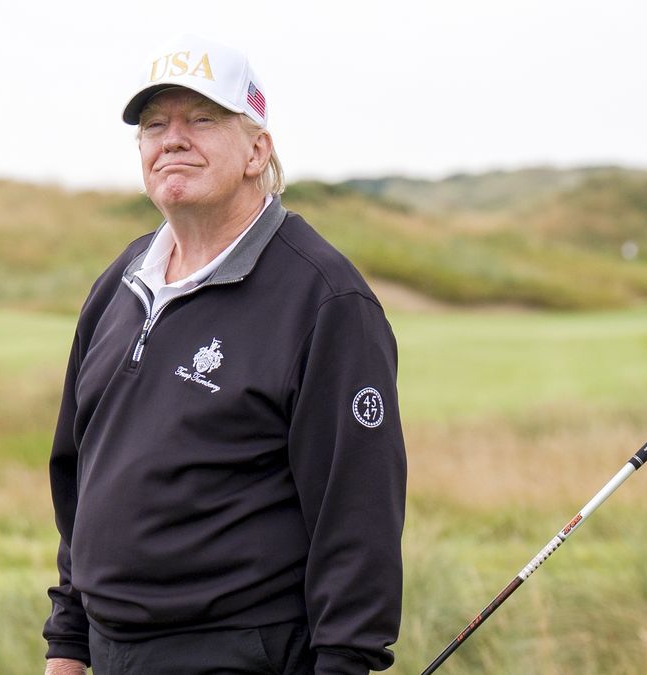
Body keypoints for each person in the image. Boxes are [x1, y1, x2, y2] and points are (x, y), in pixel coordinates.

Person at [43, 34, 406, 675]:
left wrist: (345, 662)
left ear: (257, 149)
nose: (172, 140)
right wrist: (68, 643)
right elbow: (80, 474)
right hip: (109, 649)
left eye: (202, 120)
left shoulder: (325, 299)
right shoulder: (122, 280)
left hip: (243, 653)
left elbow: (358, 512)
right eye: (155, 125)